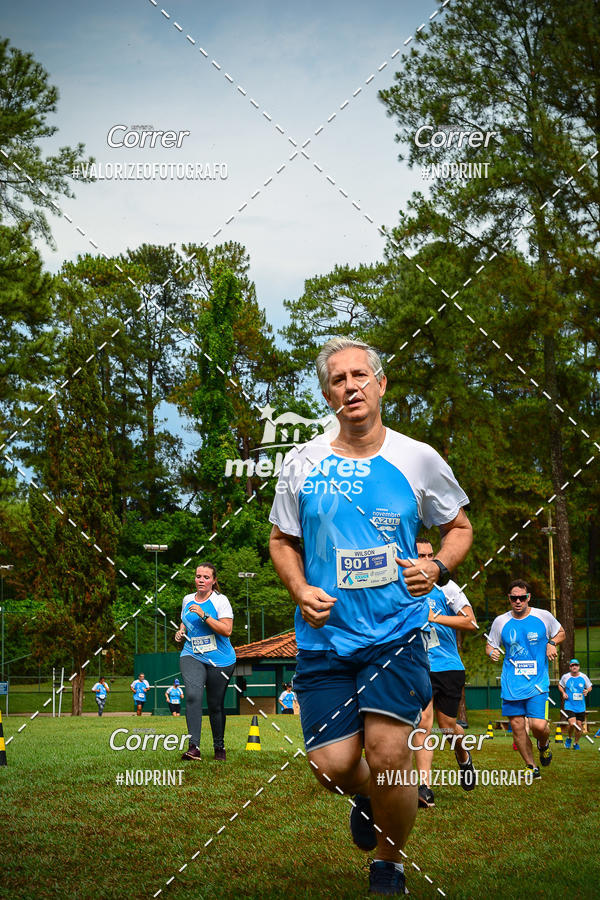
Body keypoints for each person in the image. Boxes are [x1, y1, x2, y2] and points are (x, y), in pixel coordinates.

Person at [269, 337, 472, 896]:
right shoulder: (302, 463)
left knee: (391, 755)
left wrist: (438, 571)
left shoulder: (418, 458)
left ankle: (389, 864)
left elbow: (459, 529)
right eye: (338, 379)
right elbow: (281, 540)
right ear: (326, 393)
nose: (350, 386)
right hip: (325, 638)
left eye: (361, 375)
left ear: (381, 385)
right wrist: (300, 584)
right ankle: (365, 795)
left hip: (397, 632)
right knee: (332, 768)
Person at [413, 539, 478, 808]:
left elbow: (471, 622)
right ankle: (424, 787)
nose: (427, 560)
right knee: (423, 723)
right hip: (418, 665)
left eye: (431, 555)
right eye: (421, 555)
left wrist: (435, 618)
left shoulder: (446, 587)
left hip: (448, 667)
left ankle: (464, 759)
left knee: (448, 727)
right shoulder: (402, 587)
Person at [486, 580, 565, 778]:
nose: (518, 601)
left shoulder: (543, 616)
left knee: (539, 726)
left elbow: (561, 632)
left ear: (528, 597)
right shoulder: (500, 621)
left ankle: (543, 744)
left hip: (537, 683)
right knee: (517, 727)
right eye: (514, 598)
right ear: (509, 599)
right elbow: (490, 645)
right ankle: (531, 766)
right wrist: (492, 652)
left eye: (522, 597)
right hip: (511, 684)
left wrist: (552, 643)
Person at [175, 563, 236, 762]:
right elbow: (185, 619)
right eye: (198, 576)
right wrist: (181, 630)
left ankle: (219, 747)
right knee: (193, 695)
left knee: (215, 704)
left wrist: (204, 614)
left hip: (220, 659)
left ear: (213, 581)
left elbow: (227, 630)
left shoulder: (221, 601)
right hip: (192, 653)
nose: (201, 580)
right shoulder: (187, 599)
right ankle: (194, 748)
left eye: (206, 577)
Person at [558, 659, 592, 749]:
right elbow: (560, 685)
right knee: (573, 724)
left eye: (576, 665)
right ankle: (569, 738)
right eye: (572, 665)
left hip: (580, 706)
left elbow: (590, 687)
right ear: (570, 667)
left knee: (579, 726)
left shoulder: (584, 677)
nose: (574, 667)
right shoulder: (566, 677)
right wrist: (563, 693)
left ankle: (576, 743)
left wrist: (586, 691)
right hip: (569, 705)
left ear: (579, 667)